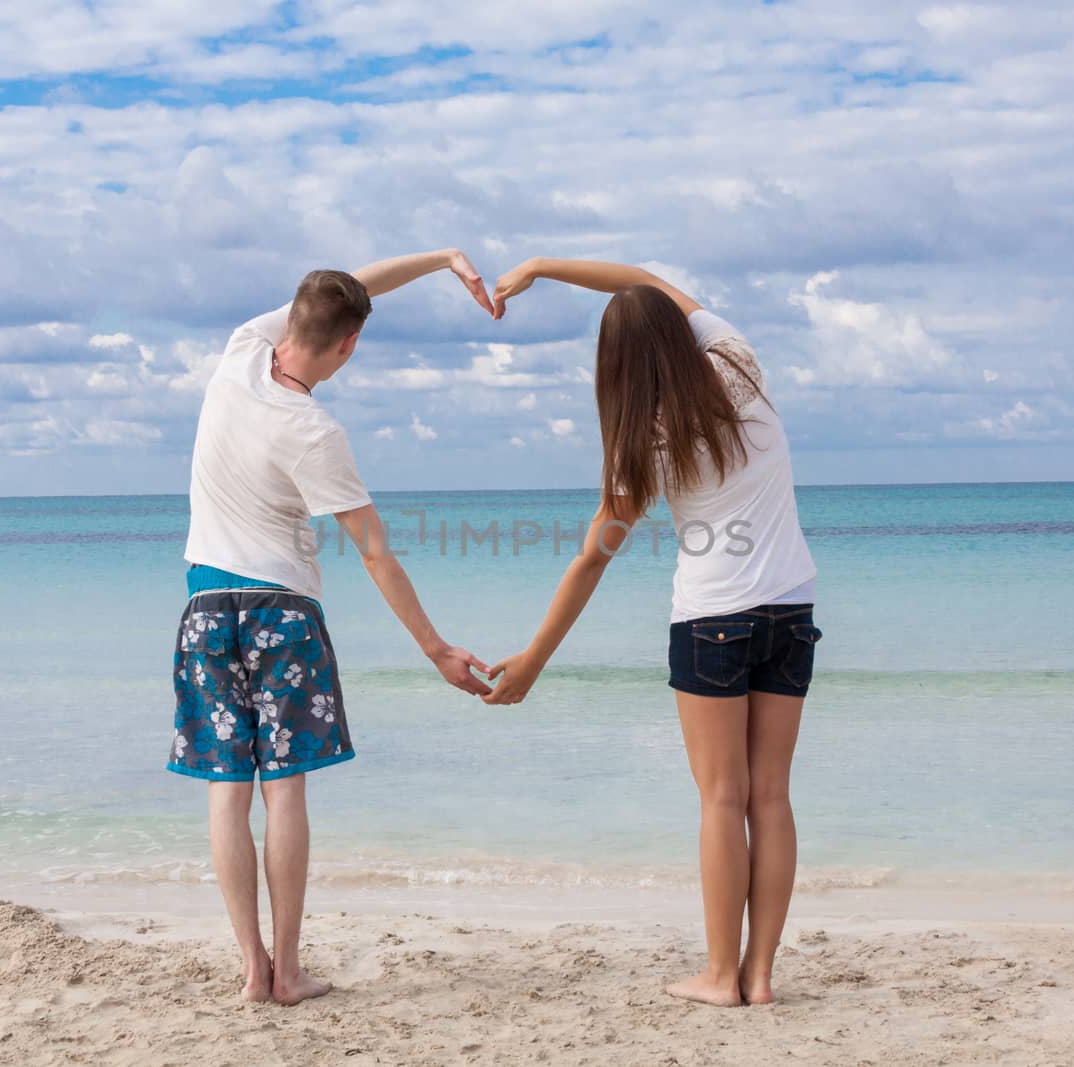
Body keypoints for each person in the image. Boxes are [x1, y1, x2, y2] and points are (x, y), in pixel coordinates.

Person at [482, 258, 821, 1008]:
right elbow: (640, 277)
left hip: (711, 621)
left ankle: (717, 976)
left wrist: (535, 658)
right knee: (770, 795)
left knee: (720, 798)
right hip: (792, 608)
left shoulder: (647, 442)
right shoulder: (739, 360)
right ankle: (760, 977)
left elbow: (589, 562)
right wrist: (542, 266)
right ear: (679, 330)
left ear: (617, 371)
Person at [168, 250, 496, 1005]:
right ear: (348, 346)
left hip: (205, 611)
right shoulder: (315, 432)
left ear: (294, 317)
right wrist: (436, 647)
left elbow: (344, 289)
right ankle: (288, 970)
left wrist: (441, 259)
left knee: (227, 790)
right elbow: (376, 553)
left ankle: (252, 969)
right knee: (285, 791)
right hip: (281, 614)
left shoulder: (238, 354)